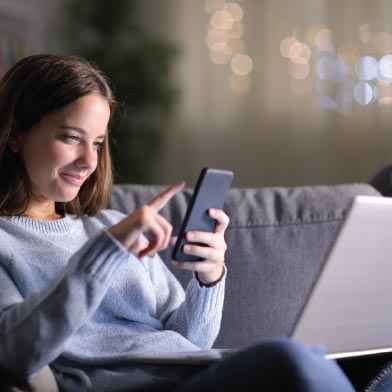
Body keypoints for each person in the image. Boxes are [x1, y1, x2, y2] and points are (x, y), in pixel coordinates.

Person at [0, 54, 360, 392]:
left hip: (196, 373)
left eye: (97, 143)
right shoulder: (17, 242)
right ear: (15, 135)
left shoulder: (111, 224)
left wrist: (209, 278)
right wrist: (106, 251)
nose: (88, 161)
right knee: (289, 358)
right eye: (71, 137)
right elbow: (17, 353)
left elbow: (191, 343)